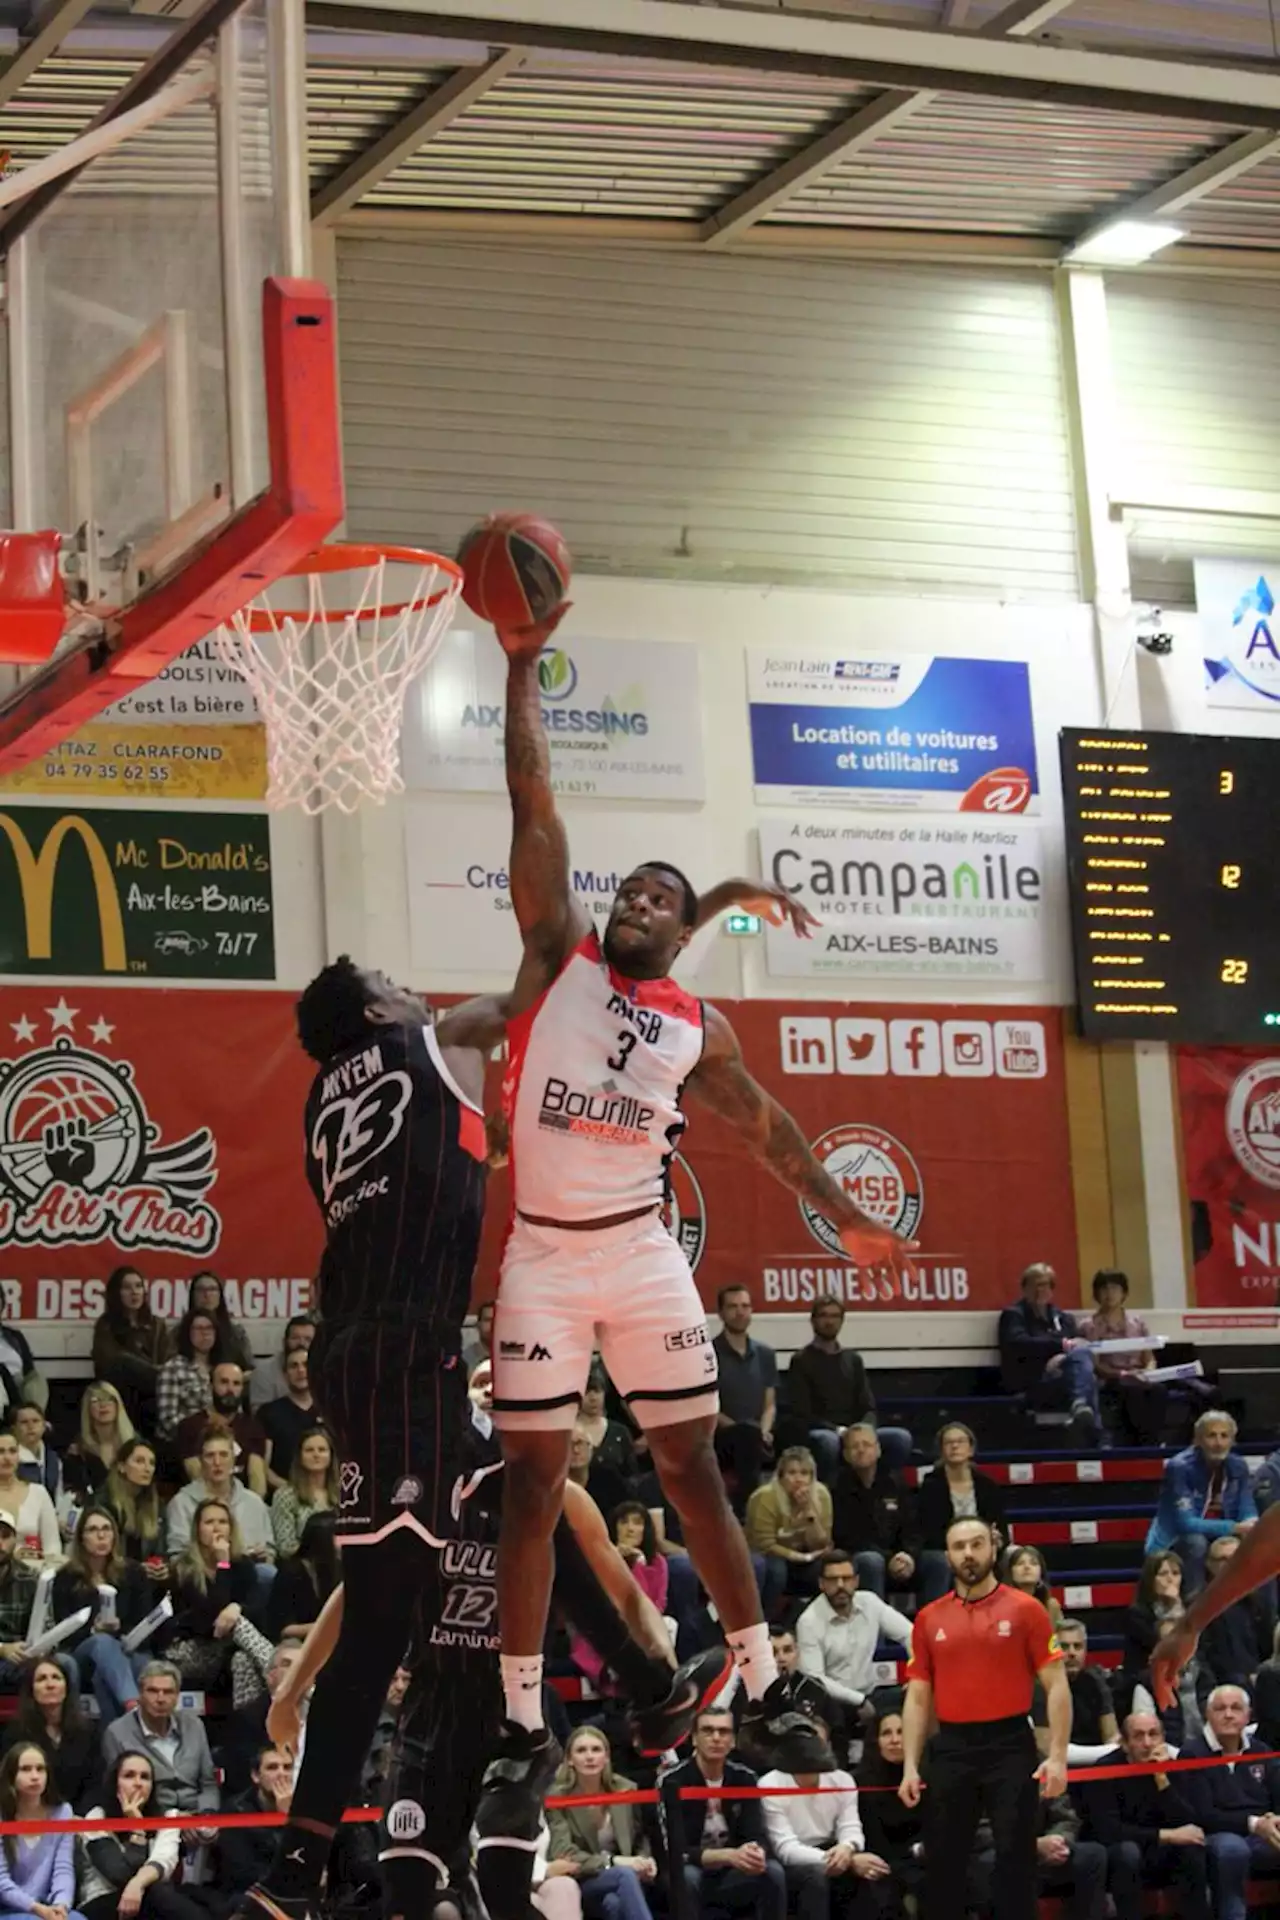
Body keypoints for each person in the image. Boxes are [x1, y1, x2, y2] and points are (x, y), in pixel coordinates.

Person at [484, 610, 912, 1824]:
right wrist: (521, 661)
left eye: (661, 896)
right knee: (529, 1486)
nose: (635, 898)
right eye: (630, 885)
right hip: (542, 1263)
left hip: (638, 1252)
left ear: (682, 933)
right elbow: (530, 798)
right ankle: (523, 1718)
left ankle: (766, 1677)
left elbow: (771, 1131)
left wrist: (847, 1220)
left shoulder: (692, 1028)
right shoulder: (559, 950)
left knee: (690, 1468)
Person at [900, 1516, 1069, 1920]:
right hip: (951, 1747)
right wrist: (909, 1764)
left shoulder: (1027, 1609)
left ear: (993, 1549)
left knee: (1016, 1862)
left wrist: (1059, 1754)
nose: (969, 1554)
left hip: (1010, 1744)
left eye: (977, 1544)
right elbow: (918, 1696)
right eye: (959, 1547)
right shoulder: (928, 1618)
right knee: (944, 1864)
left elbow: (1058, 1685)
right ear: (948, 1556)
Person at [1078, 1711, 1210, 1920]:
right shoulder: (1105, 1769)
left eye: (1153, 1734)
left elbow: (1188, 1822)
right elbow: (1108, 1830)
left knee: (1192, 1848)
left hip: (1159, 1851)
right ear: (1124, 1743)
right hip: (1120, 1852)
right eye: (1139, 1736)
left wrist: (1162, 1779)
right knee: (1128, 1853)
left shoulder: (1171, 1765)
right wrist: (1166, 1835)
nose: (1147, 1743)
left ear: (1163, 1738)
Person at [760, 1717, 888, 1920]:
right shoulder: (770, 1784)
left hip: (834, 1850)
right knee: (816, 1877)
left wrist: (847, 1848)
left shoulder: (842, 1779)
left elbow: (850, 1826)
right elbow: (785, 1849)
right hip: (797, 1860)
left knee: (871, 1873)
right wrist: (847, 1861)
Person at [666, 1707, 785, 1920]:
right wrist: (728, 1855)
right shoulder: (672, 1782)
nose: (716, 1738)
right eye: (708, 1731)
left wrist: (754, 1852)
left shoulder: (745, 1778)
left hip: (730, 1871)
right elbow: (674, 1851)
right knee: (687, 1877)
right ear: (694, 1739)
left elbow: (755, 1834)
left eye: (724, 1732)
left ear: (732, 1741)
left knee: (772, 1871)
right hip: (692, 1868)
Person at [1180, 1683, 1280, 1920]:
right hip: (1218, 1833)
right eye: (1220, 1708)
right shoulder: (1192, 1754)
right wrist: (1256, 1824)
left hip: (1263, 1831)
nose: (1228, 1715)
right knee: (1232, 1850)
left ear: (1248, 1715)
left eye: (1236, 1708)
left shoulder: (1262, 1750)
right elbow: (1203, 1814)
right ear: (1207, 1714)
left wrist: (1275, 1819)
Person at [782, 1299, 911, 1480]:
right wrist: (841, 1431)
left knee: (900, 1438)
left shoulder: (853, 1359)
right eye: (824, 1315)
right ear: (813, 1320)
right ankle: (830, 1493)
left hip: (856, 1430)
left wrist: (865, 1430)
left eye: (835, 1316)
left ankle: (880, 1490)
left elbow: (868, 1406)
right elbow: (802, 1413)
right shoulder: (801, 1360)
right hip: (822, 1430)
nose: (829, 1321)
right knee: (829, 1442)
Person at [163, 1498, 273, 1703]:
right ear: (197, 1529)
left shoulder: (242, 1565)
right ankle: (280, 1673)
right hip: (189, 1650)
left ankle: (247, 1729)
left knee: (243, 1662)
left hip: (227, 1647)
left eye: (223, 1522)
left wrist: (236, 1607)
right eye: (209, 1522)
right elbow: (210, 1619)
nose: (217, 1528)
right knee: (236, 1623)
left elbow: (257, 1610)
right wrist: (223, 1563)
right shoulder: (184, 1569)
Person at [80, 1749, 209, 1920]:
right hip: (103, 1902)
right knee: (156, 1893)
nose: (138, 1783)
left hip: (151, 1899)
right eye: (129, 1776)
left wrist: (138, 1883)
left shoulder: (168, 1817)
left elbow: (164, 1861)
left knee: (181, 1895)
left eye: (145, 1777)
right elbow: (119, 1874)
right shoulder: (96, 1817)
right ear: (115, 1782)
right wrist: (138, 1829)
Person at [50, 1509, 151, 1722]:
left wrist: (120, 1628)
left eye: (106, 1529)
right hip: (82, 1652)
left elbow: (143, 1619)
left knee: (105, 1677)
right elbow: (63, 1632)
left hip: (124, 1649)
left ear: (114, 1535)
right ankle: (134, 1707)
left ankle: (115, 1742)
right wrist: (93, 1631)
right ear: (81, 1539)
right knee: (102, 1641)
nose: (101, 1536)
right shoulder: (66, 1578)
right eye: (93, 1530)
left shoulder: (133, 1573)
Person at [547, 1727, 656, 1920]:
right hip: (582, 1879)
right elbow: (563, 1852)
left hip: (624, 1882)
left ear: (606, 1757)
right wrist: (612, 1862)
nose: (590, 1756)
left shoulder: (625, 1789)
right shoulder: (556, 1798)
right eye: (581, 1751)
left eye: (596, 1750)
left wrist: (644, 1860)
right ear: (570, 1760)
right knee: (623, 1875)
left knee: (613, 1904)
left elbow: (639, 1836)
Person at [832, 1425, 947, 1605]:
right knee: (871, 1561)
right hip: (864, 1560)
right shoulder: (838, 1487)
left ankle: (932, 1628)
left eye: (866, 1445)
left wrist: (908, 1555)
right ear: (846, 1455)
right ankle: (875, 1629)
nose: (861, 1450)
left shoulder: (894, 1482)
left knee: (938, 1561)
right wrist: (889, 1559)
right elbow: (848, 1538)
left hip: (900, 1559)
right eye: (855, 1446)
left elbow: (913, 1526)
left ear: (878, 1450)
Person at [102, 1661, 218, 1837]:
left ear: (177, 1696)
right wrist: (173, 1820)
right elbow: (120, 1793)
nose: (161, 1699)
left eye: (168, 1692)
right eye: (153, 1691)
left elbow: (208, 1783)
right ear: (140, 1694)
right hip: (150, 1822)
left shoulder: (194, 1725)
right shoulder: (117, 1733)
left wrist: (207, 1817)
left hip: (197, 1817)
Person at [1146, 1410, 1256, 1593]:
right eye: (1211, 1436)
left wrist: (1252, 1522)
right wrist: (1234, 1528)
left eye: (1224, 1436)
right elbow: (1185, 1524)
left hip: (1220, 1533)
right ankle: (1194, 1604)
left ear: (1232, 1440)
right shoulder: (1179, 1467)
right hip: (1175, 1539)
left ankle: (1264, 1612)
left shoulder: (1238, 1466)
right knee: (1196, 1543)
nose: (1219, 1443)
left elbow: (1246, 1505)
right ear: (1198, 1440)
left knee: (1259, 1542)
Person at [796, 1551, 911, 1716]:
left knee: (918, 1697)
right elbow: (815, 1679)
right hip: (832, 1703)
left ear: (856, 1581)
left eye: (847, 1578)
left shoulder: (870, 1602)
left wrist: (917, 1674)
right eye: (833, 1580)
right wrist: (859, 1701)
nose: (841, 1585)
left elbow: (911, 1634)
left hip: (872, 1694)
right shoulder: (809, 1621)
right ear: (821, 1584)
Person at [997, 1262, 1101, 1444]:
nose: (1040, 1290)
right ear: (1024, 1288)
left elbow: (1075, 1348)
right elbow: (1019, 1343)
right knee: (1086, 1378)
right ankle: (1096, 1436)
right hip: (1033, 1383)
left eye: (1045, 1285)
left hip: (1064, 1379)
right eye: (1035, 1285)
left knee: (1084, 1362)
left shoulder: (1063, 1318)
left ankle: (1080, 1408)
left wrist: (1063, 1356)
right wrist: (1060, 1346)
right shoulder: (1014, 1315)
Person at [970, 1790, 1107, 1920]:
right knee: (989, 1862)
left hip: (1045, 1852)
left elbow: (1066, 1818)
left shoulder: (1046, 1770)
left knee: (1093, 1855)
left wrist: (1057, 1840)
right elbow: (979, 1832)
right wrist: (1032, 1846)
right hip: (1002, 1851)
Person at [1, 1658, 102, 1812]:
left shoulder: (87, 1730)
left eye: (56, 1678)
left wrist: (78, 1816)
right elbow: (9, 1783)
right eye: (41, 1679)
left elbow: (96, 1782)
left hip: (80, 1819)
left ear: (67, 1687)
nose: (50, 1685)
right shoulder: (15, 1733)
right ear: (31, 1690)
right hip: (32, 1816)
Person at [0, 1743, 86, 1920]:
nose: (35, 1776)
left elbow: (63, 1869)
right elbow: (1, 1882)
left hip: (48, 1907)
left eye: (40, 1769)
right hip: (9, 1909)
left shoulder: (63, 1811)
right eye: (25, 1769)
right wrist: (36, 1909)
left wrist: (61, 1906)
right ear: (11, 1776)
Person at [164, 1430, 274, 1566]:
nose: (217, 1462)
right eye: (210, 1456)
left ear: (234, 1459)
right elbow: (177, 1557)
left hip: (249, 1576)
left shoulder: (254, 1503)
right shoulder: (181, 1503)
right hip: (202, 1576)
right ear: (200, 1461)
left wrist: (264, 1556)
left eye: (224, 1455)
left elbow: (270, 1552)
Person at [712, 1287, 776, 1516]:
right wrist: (745, 1430)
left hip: (758, 1436)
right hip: (720, 1437)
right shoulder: (708, 1353)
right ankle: (745, 1513)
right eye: (732, 1306)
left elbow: (769, 1404)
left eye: (745, 1306)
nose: (740, 1312)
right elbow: (708, 1407)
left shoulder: (765, 1353)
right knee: (746, 1434)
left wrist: (765, 1431)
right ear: (720, 1313)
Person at [745, 1447, 833, 1612]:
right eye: (792, 1473)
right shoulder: (765, 1497)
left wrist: (810, 1513)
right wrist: (800, 1557)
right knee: (776, 1570)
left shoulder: (821, 1495)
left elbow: (822, 1544)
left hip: (803, 1556)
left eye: (804, 1473)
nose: (798, 1479)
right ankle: (765, 1618)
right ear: (781, 1476)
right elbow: (764, 1545)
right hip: (766, 1556)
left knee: (828, 1565)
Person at [856, 1709, 923, 1920]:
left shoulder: (928, 1775)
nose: (895, 1740)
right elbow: (872, 1836)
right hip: (881, 1858)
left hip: (922, 1856)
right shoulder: (861, 1781)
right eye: (886, 1733)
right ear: (876, 1740)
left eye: (901, 1732)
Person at [219, 1644, 304, 1799]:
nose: (297, 1670)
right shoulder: (246, 1719)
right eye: (287, 1664)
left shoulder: (326, 1718)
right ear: (270, 1676)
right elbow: (240, 1781)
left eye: (304, 1664)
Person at [217, 1745, 296, 1910]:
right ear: (255, 1776)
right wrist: (285, 1824)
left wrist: (291, 1818)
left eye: (288, 1767)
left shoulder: (307, 1808)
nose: (282, 1773)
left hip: (296, 1892)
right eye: (272, 1767)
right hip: (250, 1896)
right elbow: (242, 1874)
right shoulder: (235, 1810)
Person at [175, 1362, 267, 1496]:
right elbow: (196, 1475)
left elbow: (258, 1482)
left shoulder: (253, 1428)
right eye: (224, 1382)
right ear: (211, 1386)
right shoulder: (189, 1426)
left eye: (236, 1384)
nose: (230, 1389)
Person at [1033, 1618, 1118, 1762]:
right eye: (1064, 1647)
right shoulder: (1040, 1686)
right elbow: (1045, 1748)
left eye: (1077, 1646)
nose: (1071, 1653)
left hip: (1097, 1767)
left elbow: (1111, 1735)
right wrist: (1107, 1754)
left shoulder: (1096, 1681)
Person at [91, 1270, 166, 1430]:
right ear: (116, 1293)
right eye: (127, 1287)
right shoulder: (106, 1325)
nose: (134, 1292)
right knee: (123, 1363)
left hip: (154, 1393)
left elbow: (167, 1362)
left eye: (138, 1286)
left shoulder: (157, 1324)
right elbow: (109, 1363)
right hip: (121, 1393)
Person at [915, 1423, 1005, 1552]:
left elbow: (1000, 1527)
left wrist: (998, 1539)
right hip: (946, 1549)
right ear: (941, 1451)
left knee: (1014, 1553)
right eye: (948, 1442)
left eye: (960, 1441)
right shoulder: (931, 1485)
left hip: (983, 1546)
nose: (955, 1446)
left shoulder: (987, 1485)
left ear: (971, 1449)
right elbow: (928, 1532)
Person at [1199, 1534, 1272, 1690]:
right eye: (1223, 1559)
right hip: (1219, 1688)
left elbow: (1269, 1648)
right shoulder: (1198, 1606)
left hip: (1258, 1683)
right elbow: (1201, 1658)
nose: (1230, 1564)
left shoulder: (1259, 1602)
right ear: (1210, 1565)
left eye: (1235, 1557)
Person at [265, 1512, 339, 1643]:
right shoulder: (291, 1573)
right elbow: (283, 1630)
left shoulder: (338, 1569)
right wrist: (325, 1628)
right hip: (294, 1642)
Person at [269, 1428, 339, 1559]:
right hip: (304, 1566)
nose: (316, 1454)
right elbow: (286, 1547)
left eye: (322, 1450)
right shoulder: (285, 1495)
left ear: (331, 1456)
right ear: (300, 1456)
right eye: (309, 1450)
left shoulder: (344, 1493)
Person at [154, 1311, 219, 1447]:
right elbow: (168, 1421)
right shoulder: (173, 1368)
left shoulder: (222, 1368)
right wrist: (203, 1427)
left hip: (219, 1442)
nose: (205, 1333)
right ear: (187, 1333)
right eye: (198, 1328)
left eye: (209, 1328)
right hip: (181, 1446)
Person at [100, 1441, 165, 1572]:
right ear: (122, 1466)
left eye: (151, 1463)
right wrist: (137, 1569)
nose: (147, 1468)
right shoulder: (105, 1502)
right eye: (139, 1461)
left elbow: (160, 1550)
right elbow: (102, 1554)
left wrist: (162, 1567)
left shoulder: (156, 1504)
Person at [259, 1348, 316, 1492]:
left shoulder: (332, 1410)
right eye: (294, 1366)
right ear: (285, 1375)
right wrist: (293, 1491)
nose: (301, 1370)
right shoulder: (268, 1413)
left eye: (306, 1365)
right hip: (285, 1492)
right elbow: (263, 1468)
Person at [65, 1385, 134, 1503]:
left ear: (118, 1405)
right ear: (87, 1408)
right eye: (96, 1401)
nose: (103, 1405)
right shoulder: (79, 1449)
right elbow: (73, 1493)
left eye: (109, 1399)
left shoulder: (134, 1445)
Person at [0, 1431, 58, 1560]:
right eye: (1, 1452)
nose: (7, 1457)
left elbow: (52, 1545)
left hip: (35, 1572)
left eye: (12, 1451)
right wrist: (13, 1556)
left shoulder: (38, 1493)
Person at [576, 1366, 638, 1487]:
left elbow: (633, 1475)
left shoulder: (620, 1432)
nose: (593, 1398)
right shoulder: (569, 1433)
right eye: (587, 1392)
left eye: (598, 1391)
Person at [185, 1271, 254, 1376]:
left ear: (220, 1295)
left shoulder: (236, 1332)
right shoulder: (178, 1332)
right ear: (192, 1295)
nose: (206, 1295)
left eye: (212, 1289)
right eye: (201, 1289)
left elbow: (250, 1370)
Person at [1126, 1551, 1185, 1671]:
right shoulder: (1137, 1614)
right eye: (1163, 1574)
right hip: (1149, 1676)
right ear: (1150, 1579)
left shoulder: (1191, 1609)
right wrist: (1173, 1606)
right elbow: (1166, 1644)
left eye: (1175, 1573)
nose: (1170, 1579)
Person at [250, 1316, 317, 1414]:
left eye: (308, 1339)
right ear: (284, 1341)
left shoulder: (325, 1370)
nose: (301, 1343)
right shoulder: (263, 1372)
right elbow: (259, 1416)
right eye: (295, 1338)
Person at [0, 1521, 37, 1688]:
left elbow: (47, 1625)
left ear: (15, 1541)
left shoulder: (30, 1578)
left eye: (5, 1536)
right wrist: (2, 1649)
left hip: (21, 1658)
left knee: (65, 1664)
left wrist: (37, 1648)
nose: (0, 1544)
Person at [1002, 1544, 1063, 1628]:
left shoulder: (1051, 1605)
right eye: (1020, 1563)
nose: (1027, 1567)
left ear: (1041, 1572)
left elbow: (1059, 1637)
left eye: (1033, 1563)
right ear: (1011, 1572)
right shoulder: (1001, 1605)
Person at [11, 1406, 61, 1508]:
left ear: (44, 1426)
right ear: (14, 1428)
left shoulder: (53, 1458)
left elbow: (60, 1494)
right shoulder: (10, 1460)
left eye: (35, 1421)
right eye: (24, 1422)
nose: (30, 1426)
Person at [463, 1302, 495, 1379]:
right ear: (478, 1324)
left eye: (497, 1320)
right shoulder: (465, 1359)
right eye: (487, 1320)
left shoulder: (512, 1358)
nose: (493, 1325)